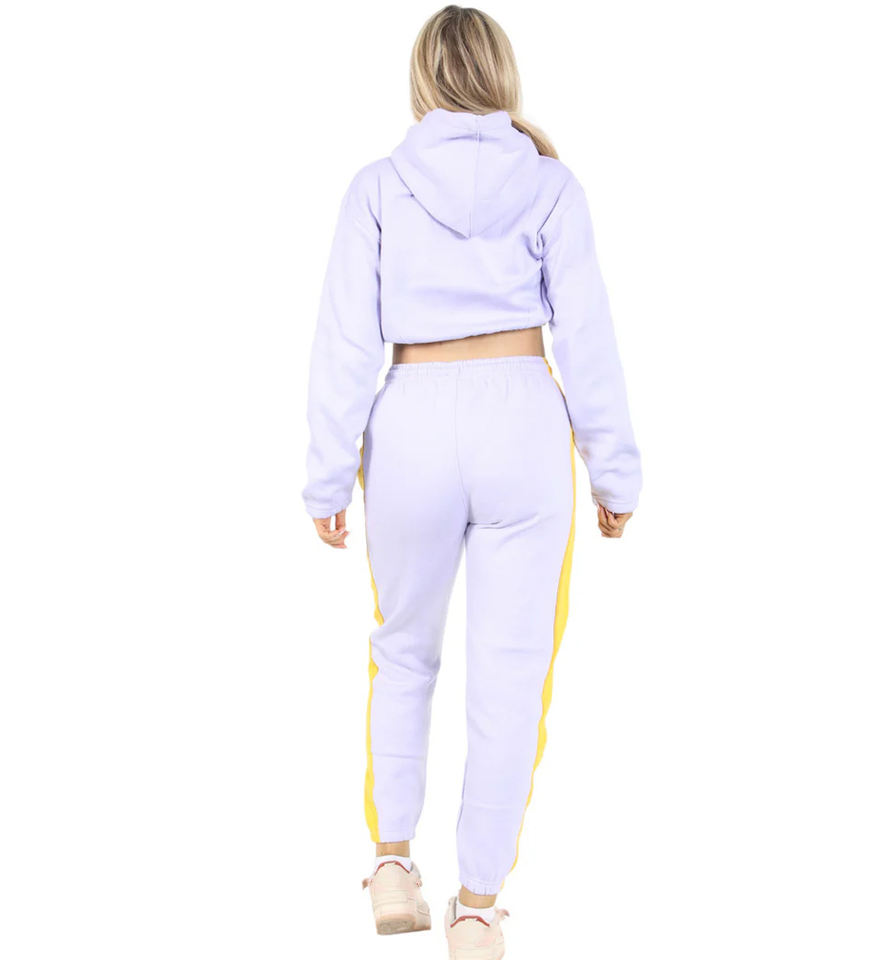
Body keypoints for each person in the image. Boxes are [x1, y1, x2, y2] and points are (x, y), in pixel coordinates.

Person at [302, 6, 642, 957]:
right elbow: (588, 337)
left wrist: (326, 476)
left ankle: (391, 864)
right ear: (502, 75)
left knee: (401, 650)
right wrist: (614, 470)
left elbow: (344, 342)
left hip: (409, 415)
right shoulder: (551, 185)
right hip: (522, 419)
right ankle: (481, 910)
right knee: (512, 670)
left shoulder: (378, 187)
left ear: (422, 79)